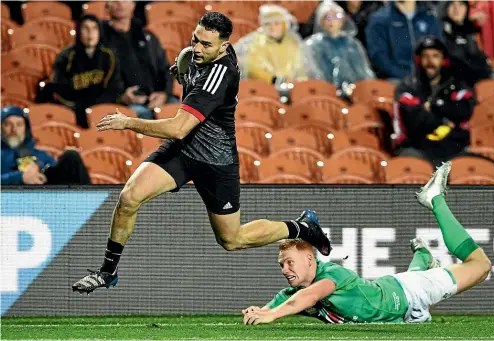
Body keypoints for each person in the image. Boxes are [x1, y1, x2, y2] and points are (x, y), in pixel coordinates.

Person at [71, 12, 332, 294]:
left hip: (215, 162)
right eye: (196, 40)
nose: (197, 48)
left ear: (223, 48)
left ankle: (301, 228)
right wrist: (182, 65)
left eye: (206, 45)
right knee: (129, 197)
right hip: (183, 153)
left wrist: (128, 122)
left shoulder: (218, 77)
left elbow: (178, 128)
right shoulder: (197, 53)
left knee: (232, 240)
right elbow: (187, 62)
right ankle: (107, 272)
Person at [242, 161, 492, 325]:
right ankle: (423, 255)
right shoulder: (292, 293)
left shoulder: (331, 275)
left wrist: (273, 315)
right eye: (281, 265)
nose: (285, 269)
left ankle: (434, 198)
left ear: (310, 259)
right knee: (413, 274)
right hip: (398, 294)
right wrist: (259, 311)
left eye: (289, 262)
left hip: (411, 293)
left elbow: (308, 297)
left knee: (480, 265)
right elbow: (278, 303)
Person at [392, 36, 478, 168]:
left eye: (435, 56)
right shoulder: (407, 87)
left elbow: (463, 111)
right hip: (417, 149)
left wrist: (433, 105)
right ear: (419, 60)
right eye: (425, 56)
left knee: (483, 167)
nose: (429, 61)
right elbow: (414, 122)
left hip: (452, 149)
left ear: (443, 60)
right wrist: (444, 121)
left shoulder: (457, 86)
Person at [101, 0, 178, 120]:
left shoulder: (147, 36)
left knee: (178, 110)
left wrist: (163, 94)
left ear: (133, 4)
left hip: (154, 97)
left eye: (125, 1)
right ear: (107, 6)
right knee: (142, 115)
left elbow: (165, 69)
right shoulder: (100, 39)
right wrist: (120, 97)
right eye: (115, 1)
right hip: (122, 102)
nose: (120, 4)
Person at [46, 14, 123, 128]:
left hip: (101, 108)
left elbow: (115, 87)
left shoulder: (109, 56)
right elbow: (60, 90)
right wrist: (80, 107)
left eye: (94, 28)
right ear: (79, 32)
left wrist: (95, 107)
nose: (90, 33)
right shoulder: (66, 56)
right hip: (73, 109)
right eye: (85, 28)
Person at [1, 106, 91, 185]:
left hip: (45, 194)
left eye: (19, 124)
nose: (14, 129)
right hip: (13, 196)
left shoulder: (40, 154)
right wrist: (21, 177)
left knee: (71, 156)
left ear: (26, 129)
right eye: (8, 124)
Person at [305, 1, 375, 97]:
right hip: (328, 94)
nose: (332, 21)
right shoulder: (313, 44)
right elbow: (316, 73)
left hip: (357, 92)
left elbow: (362, 70)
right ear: (321, 21)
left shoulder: (352, 43)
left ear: (342, 20)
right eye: (328, 17)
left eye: (336, 17)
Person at [234, 5, 316, 86]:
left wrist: (299, 82)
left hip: (295, 87)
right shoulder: (257, 42)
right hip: (267, 87)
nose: (272, 27)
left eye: (276, 23)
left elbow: (302, 68)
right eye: (267, 24)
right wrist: (275, 80)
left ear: (284, 25)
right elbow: (254, 69)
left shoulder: (293, 41)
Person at [365, 0, 442, 81]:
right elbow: (379, 57)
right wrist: (406, 77)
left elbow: (439, 50)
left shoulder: (429, 17)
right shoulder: (380, 19)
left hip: (428, 78)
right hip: (395, 80)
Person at [440, 1, 492, 87]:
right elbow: (457, 59)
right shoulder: (442, 31)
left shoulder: (470, 30)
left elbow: (478, 56)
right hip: (454, 84)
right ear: (446, 8)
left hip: (478, 82)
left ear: (466, 8)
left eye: (461, 4)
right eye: (452, 4)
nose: (456, 9)